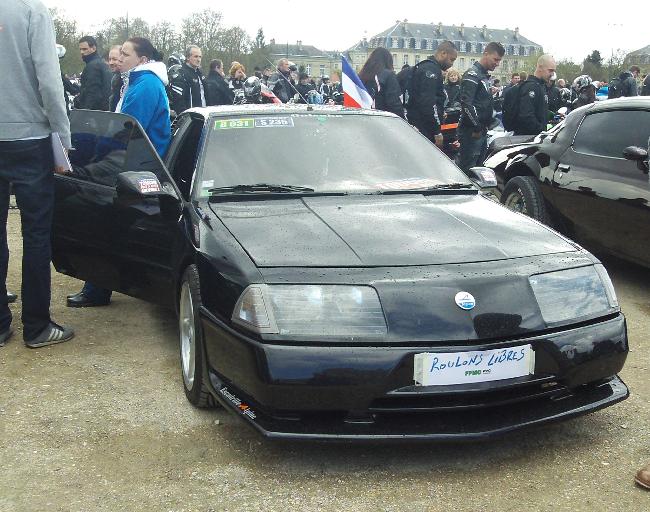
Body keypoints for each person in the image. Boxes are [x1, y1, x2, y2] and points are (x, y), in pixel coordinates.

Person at [67, 37, 171, 308]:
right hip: (132, 159)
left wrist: (95, 154)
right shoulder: (136, 82)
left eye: (125, 54)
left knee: (99, 213)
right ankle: (102, 284)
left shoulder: (145, 85)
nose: (119, 57)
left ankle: (97, 288)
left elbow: (126, 130)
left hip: (136, 163)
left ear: (143, 60)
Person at [1, 0, 74, 347]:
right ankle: (36, 326)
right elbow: (49, 78)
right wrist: (62, 136)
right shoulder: (32, 10)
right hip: (28, 136)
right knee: (36, 233)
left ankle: (0, 324)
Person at [457, 42, 505, 172]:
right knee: (468, 169)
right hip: (472, 131)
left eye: (499, 60)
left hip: (481, 130)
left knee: (478, 169)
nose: (497, 63)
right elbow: (466, 104)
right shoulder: (472, 74)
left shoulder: (483, 76)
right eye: (495, 59)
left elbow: (482, 104)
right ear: (486, 54)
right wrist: (477, 126)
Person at [406, 40, 458, 147]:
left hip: (418, 124)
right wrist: (436, 131)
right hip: (424, 127)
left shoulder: (425, 67)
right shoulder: (431, 70)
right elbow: (429, 103)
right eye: (451, 59)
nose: (452, 64)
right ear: (443, 53)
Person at [511, 54, 556, 136]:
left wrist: (553, 117)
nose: (552, 74)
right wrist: (541, 131)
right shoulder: (531, 87)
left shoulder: (541, 86)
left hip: (534, 137)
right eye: (550, 70)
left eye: (553, 71)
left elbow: (540, 112)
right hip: (527, 139)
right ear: (540, 67)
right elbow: (526, 116)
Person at [358, 48, 405, 118]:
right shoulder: (388, 75)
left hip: (363, 117)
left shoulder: (361, 76)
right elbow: (394, 104)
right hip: (382, 119)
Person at [73, 35, 112, 111]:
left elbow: (92, 94)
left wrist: (84, 111)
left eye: (84, 49)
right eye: (80, 49)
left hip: (94, 113)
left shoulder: (93, 67)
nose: (82, 52)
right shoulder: (102, 64)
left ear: (93, 48)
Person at [168, 45, 206, 114]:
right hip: (191, 118)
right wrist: (187, 118)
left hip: (204, 115)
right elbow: (178, 102)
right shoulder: (181, 74)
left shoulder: (200, 73)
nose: (198, 59)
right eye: (196, 56)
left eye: (200, 57)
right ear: (188, 57)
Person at [107, 45, 123, 112]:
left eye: (114, 59)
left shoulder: (127, 81)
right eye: (109, 59)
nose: (110, 63)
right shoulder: (115, 78)